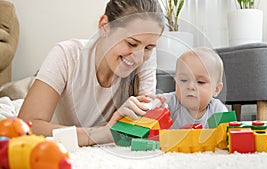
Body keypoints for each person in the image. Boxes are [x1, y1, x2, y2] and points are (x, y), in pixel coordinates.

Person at [18, 0, 165, 146]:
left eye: (149, 48)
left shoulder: (146, 57)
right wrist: (103, 133)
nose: (139, 58)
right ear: (104, 26)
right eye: (131, 43)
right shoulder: (67, 55)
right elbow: (25, 128)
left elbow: (141, 124)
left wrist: (150, 112)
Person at [162, 47, 228, 129]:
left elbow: (225, 135)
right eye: (184, 80)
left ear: (216, 89)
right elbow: (148, 109)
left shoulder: (217, 110)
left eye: (200, 82)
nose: (190, 87)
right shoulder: (168, 103)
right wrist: (151, 105)